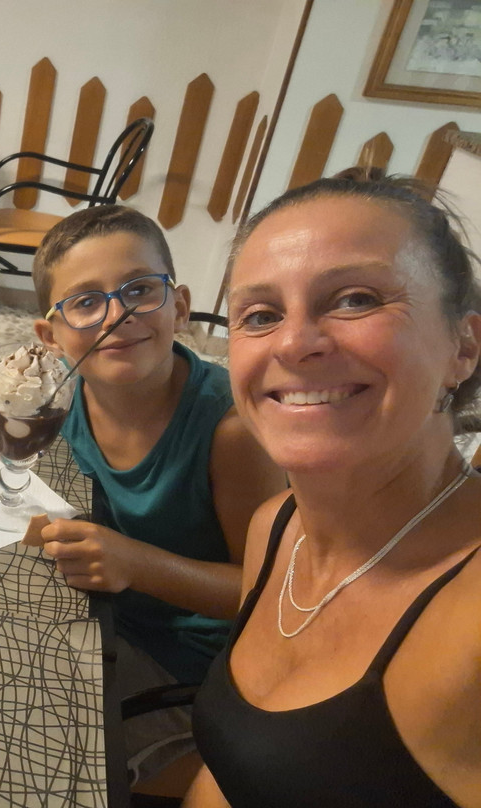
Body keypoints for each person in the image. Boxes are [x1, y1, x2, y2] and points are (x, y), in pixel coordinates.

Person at [0, 205, 284, 792]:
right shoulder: (68, 389)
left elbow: (265, 595)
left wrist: (135, 563)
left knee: (25, 761)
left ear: (179, 306)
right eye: (85, 301)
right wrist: (4, 395)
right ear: (51, 337)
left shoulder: (231, 434)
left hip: (189, 665)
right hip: (101, 613)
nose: (117, 314)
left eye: (139, 289)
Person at [185, 175, 481, 807]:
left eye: (355, 299)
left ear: (463, 346)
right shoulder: (275, 526)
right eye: (261, 315)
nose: (294, 343)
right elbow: (233, 768)